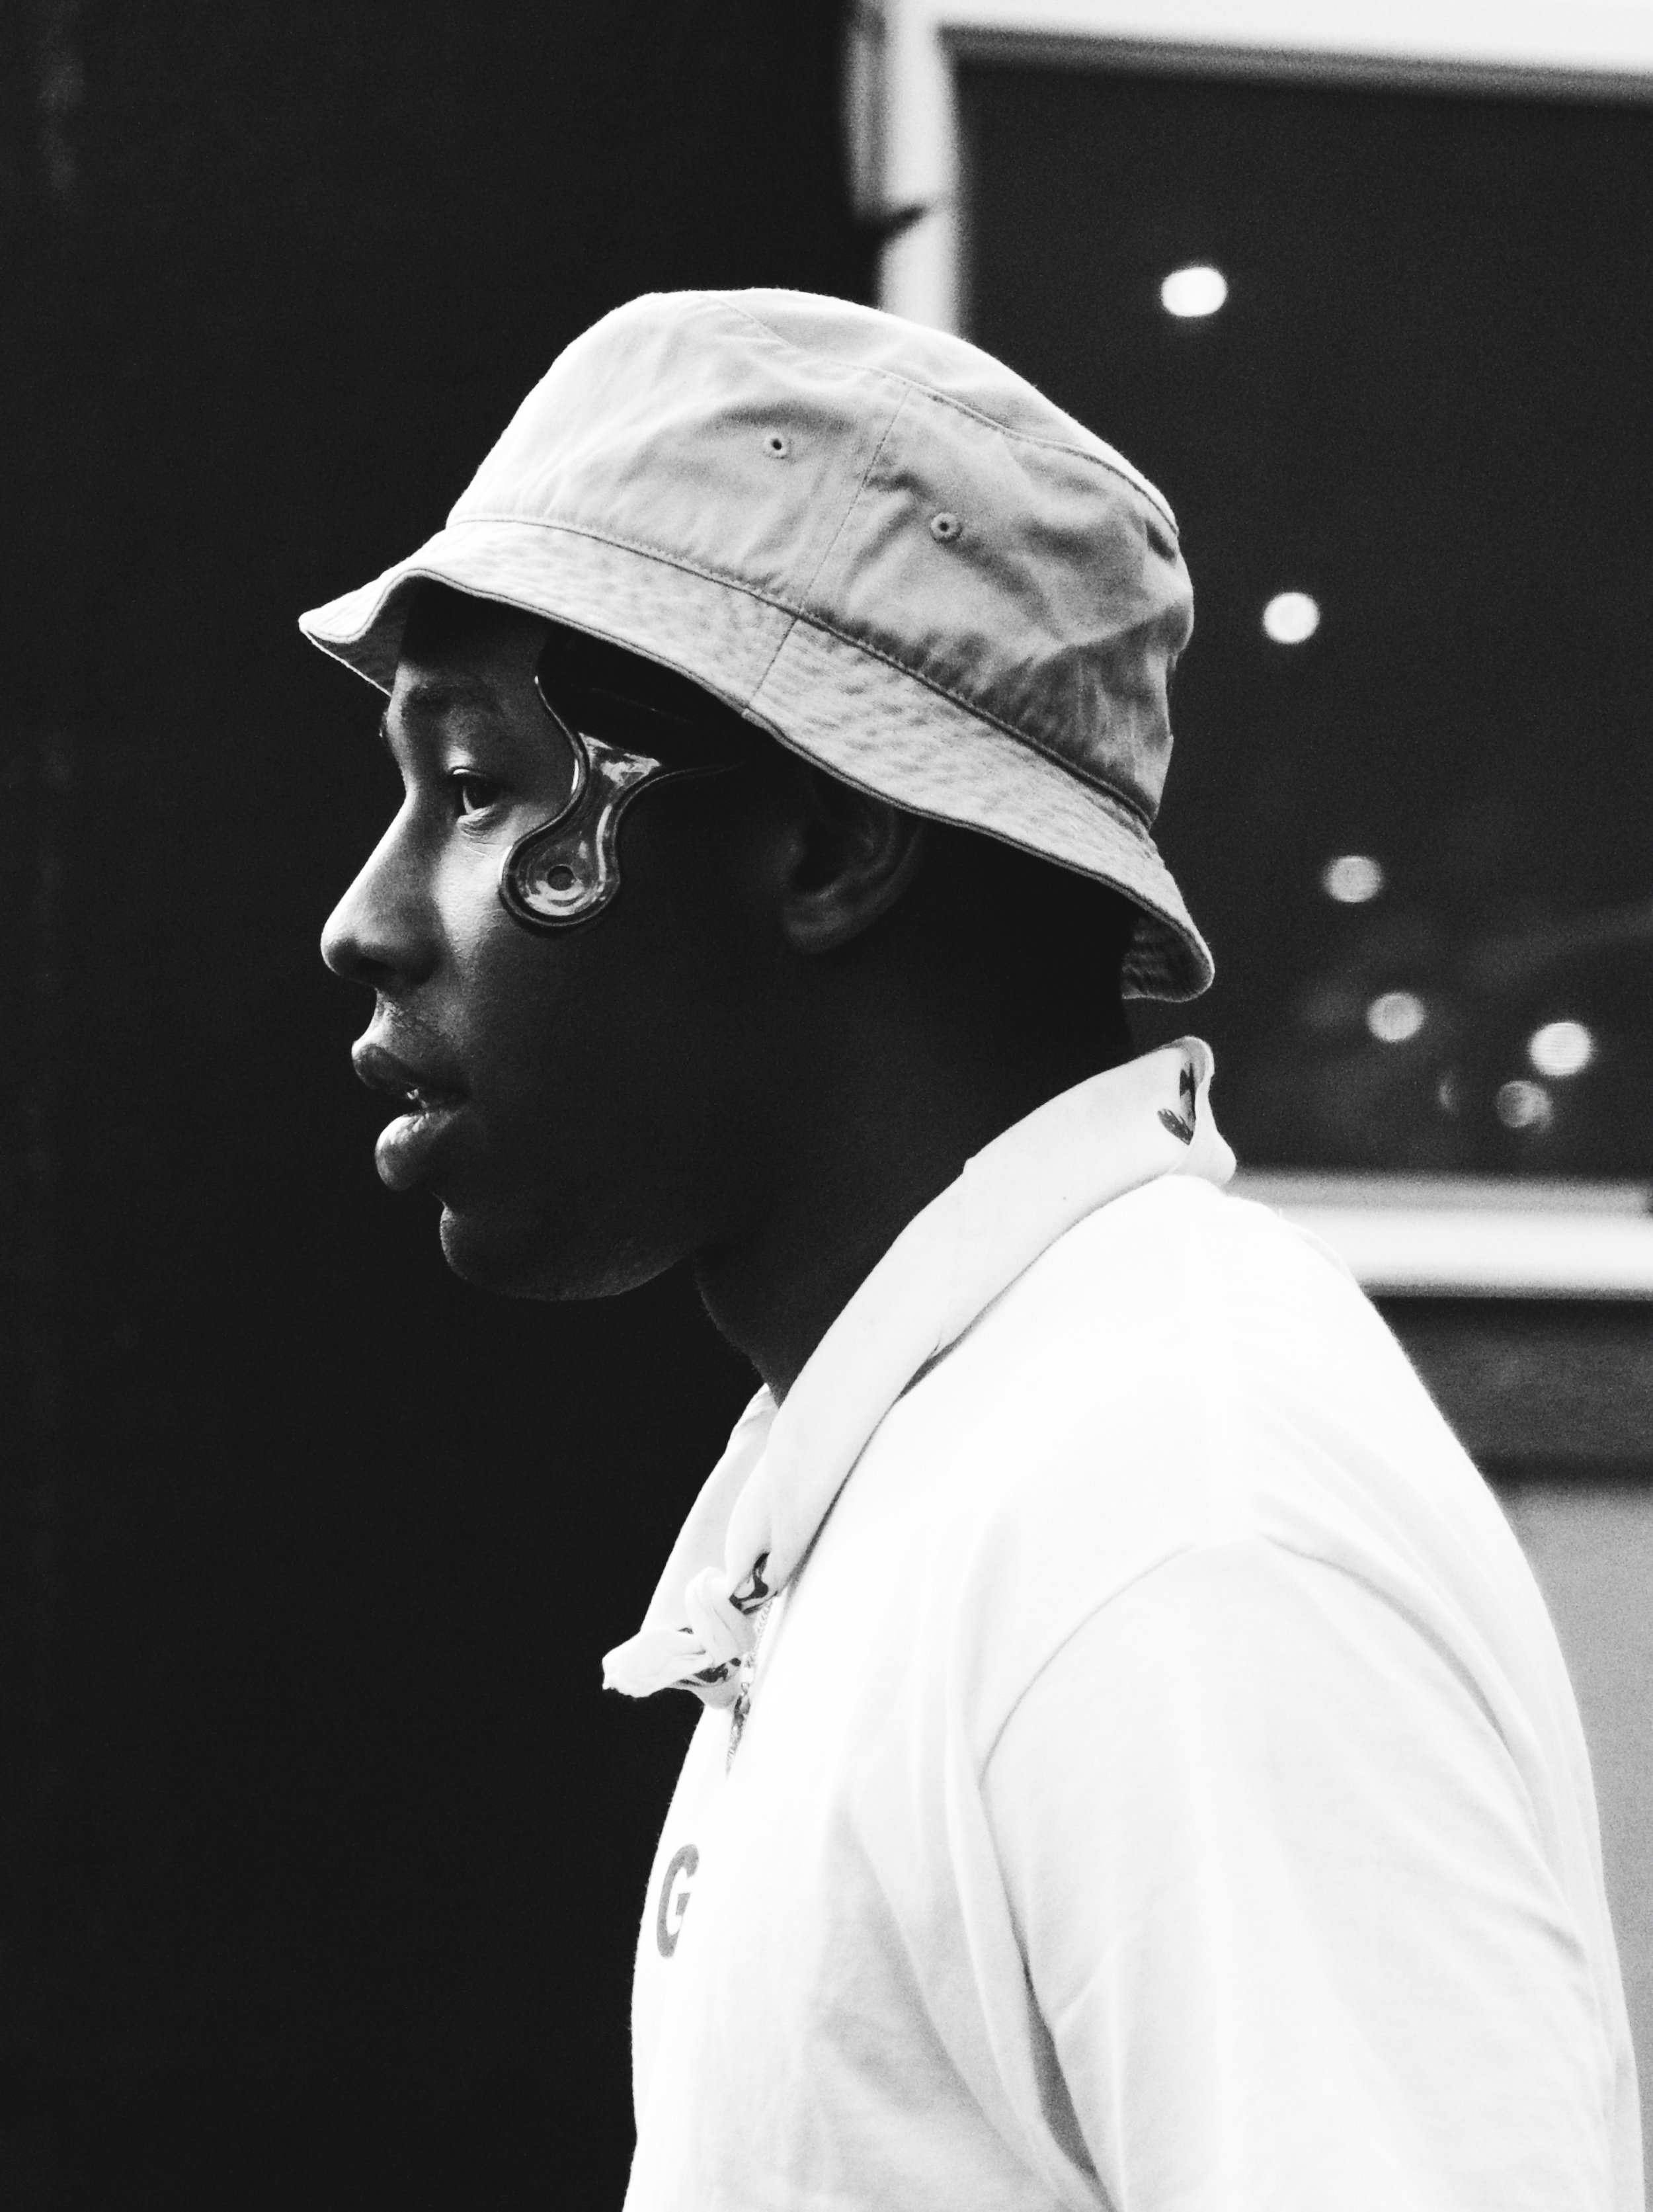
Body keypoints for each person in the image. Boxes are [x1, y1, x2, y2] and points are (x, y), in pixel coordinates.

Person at [307, 290, 1641, 2211]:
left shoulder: (1175, 1522)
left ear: (829, 848)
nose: (362, 919)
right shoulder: (965, 1454)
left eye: (476, 785)